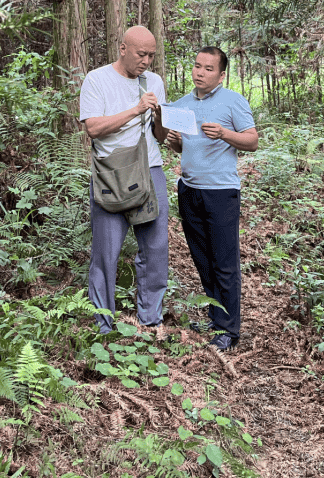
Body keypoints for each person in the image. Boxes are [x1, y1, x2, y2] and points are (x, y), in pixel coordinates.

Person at [165, 46, 257, 352]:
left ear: (221, 74)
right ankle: (216, 316)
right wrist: (175, 142)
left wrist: (225, 134)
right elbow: (182, 149)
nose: (200, 72)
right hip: (189, 190)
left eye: (208, 68)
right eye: (196, 65)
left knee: (224, 262)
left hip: (221, 192)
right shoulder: (182, 105)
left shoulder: (233, 101)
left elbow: (252, 141)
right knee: (202, 258)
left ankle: (229, 329)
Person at [80, 26, 170, 333]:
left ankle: (151, 320)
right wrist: (136, 109)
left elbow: (160, 135)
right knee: (107, 252)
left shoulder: (154, 81)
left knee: (156, 248)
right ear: (123, 48)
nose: (146, 61)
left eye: (151, 55)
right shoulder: (97, 79)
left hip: (150, 169)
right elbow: (93, 128)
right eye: (140, 54)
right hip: (112, 173)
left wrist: (159, 116)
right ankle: (104, 325)